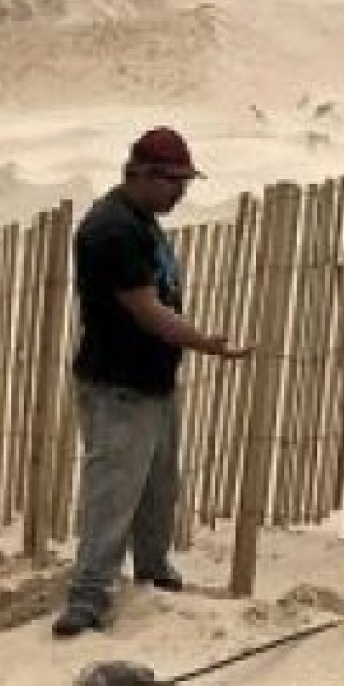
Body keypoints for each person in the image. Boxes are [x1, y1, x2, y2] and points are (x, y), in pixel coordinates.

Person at [53, 127, 251, 638]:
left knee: (157, 489)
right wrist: (205, 342)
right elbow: (146, 310)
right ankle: (89, 594)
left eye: (185, 181)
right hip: (120, 385)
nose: (179, 192)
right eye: (171, 181)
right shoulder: (112, 229)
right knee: (113, 491)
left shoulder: (141, 220)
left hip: (150, 382)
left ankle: (153, 574)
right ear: (139, 174)